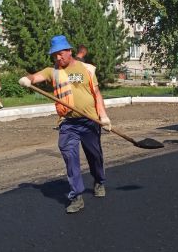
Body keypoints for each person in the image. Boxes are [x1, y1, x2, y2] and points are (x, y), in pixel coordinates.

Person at [19, 35, 111, 214]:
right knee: (69, 156)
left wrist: (104, 117)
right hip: (68, 123)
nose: (57, 58)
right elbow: (35, 76)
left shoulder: (86, 69)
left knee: (95, 155)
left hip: (90, 121)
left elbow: (97, 94)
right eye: (54, 56)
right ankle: (76, 196)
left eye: (60, 54)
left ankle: (99, 180)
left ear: (69, 51)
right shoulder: (52, 71)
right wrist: (27, 79)